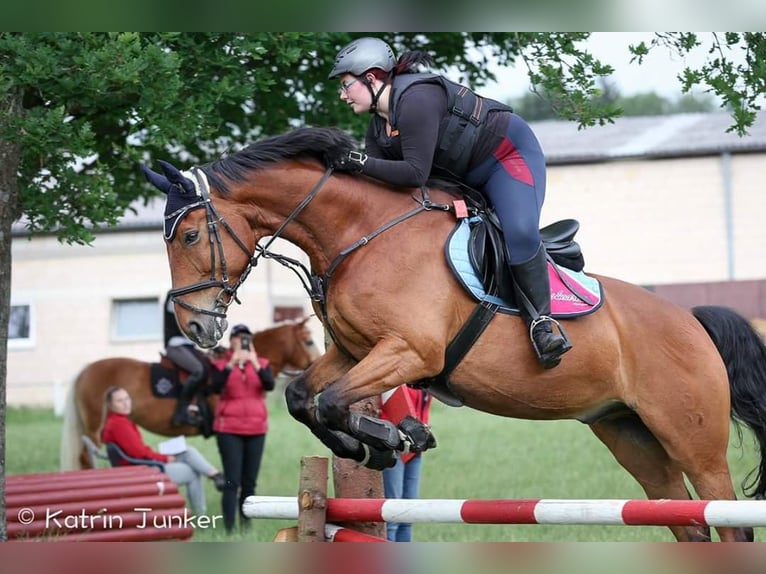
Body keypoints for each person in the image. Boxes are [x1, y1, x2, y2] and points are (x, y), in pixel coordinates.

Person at [328, 37, 572, 369]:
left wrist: (355, 161)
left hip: (506, 157)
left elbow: (414, 173)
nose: (342, 96)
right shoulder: (378, 130)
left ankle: (543, 324)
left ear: (372, 78)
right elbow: (380, 187)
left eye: (346, 85)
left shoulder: (417, 99)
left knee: (518, 231)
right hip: (462, 177)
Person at [101, 386, 225, 515]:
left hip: (140, 465)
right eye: (120, 401)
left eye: (127, 399)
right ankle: (202, 515)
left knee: (187, 450)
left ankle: (216, 475)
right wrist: (164, 458)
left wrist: (162, 456)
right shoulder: (119, 424)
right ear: (110, 405)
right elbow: (139, 453)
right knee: (193, 472)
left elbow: (138, 451)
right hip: (141, 470)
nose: (126, 403)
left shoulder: (116, 421)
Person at [210, 323, 275, 533]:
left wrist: (254, 362)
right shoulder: (221, 364)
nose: (243, 340)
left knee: (249, 483)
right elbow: (215, 386)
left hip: (256, 429)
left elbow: (269, 384)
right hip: (229, 429)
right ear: (231, 341)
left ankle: (246, 525)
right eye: (239, 337)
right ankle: (228, 529)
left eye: (247, 337)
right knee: (232, 481)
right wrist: (232, 362)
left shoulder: (262, 363)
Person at [380, 385, 432, 542]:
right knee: (393, 515)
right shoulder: (395, 378)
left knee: (408, 516)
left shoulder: (423, 379)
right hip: (393, 446)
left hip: (416, 448)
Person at [163, 291, 207, 426]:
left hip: (189, 346)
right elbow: (185, 321)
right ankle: (181, 412)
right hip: (175, 344)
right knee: (198, 370)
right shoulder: (175, 295)